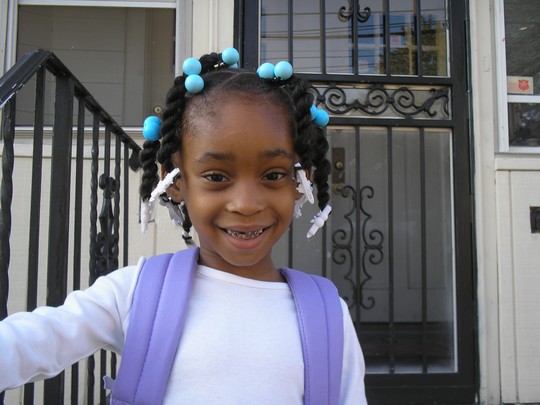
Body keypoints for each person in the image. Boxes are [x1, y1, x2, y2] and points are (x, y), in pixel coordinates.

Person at [0, 48, 367, 404]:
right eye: (217, 176)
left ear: (301, 182)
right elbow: (31, 341)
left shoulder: (328, 315)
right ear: (175, 181)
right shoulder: (135, 294)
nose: (246, 203)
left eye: (272, 175)